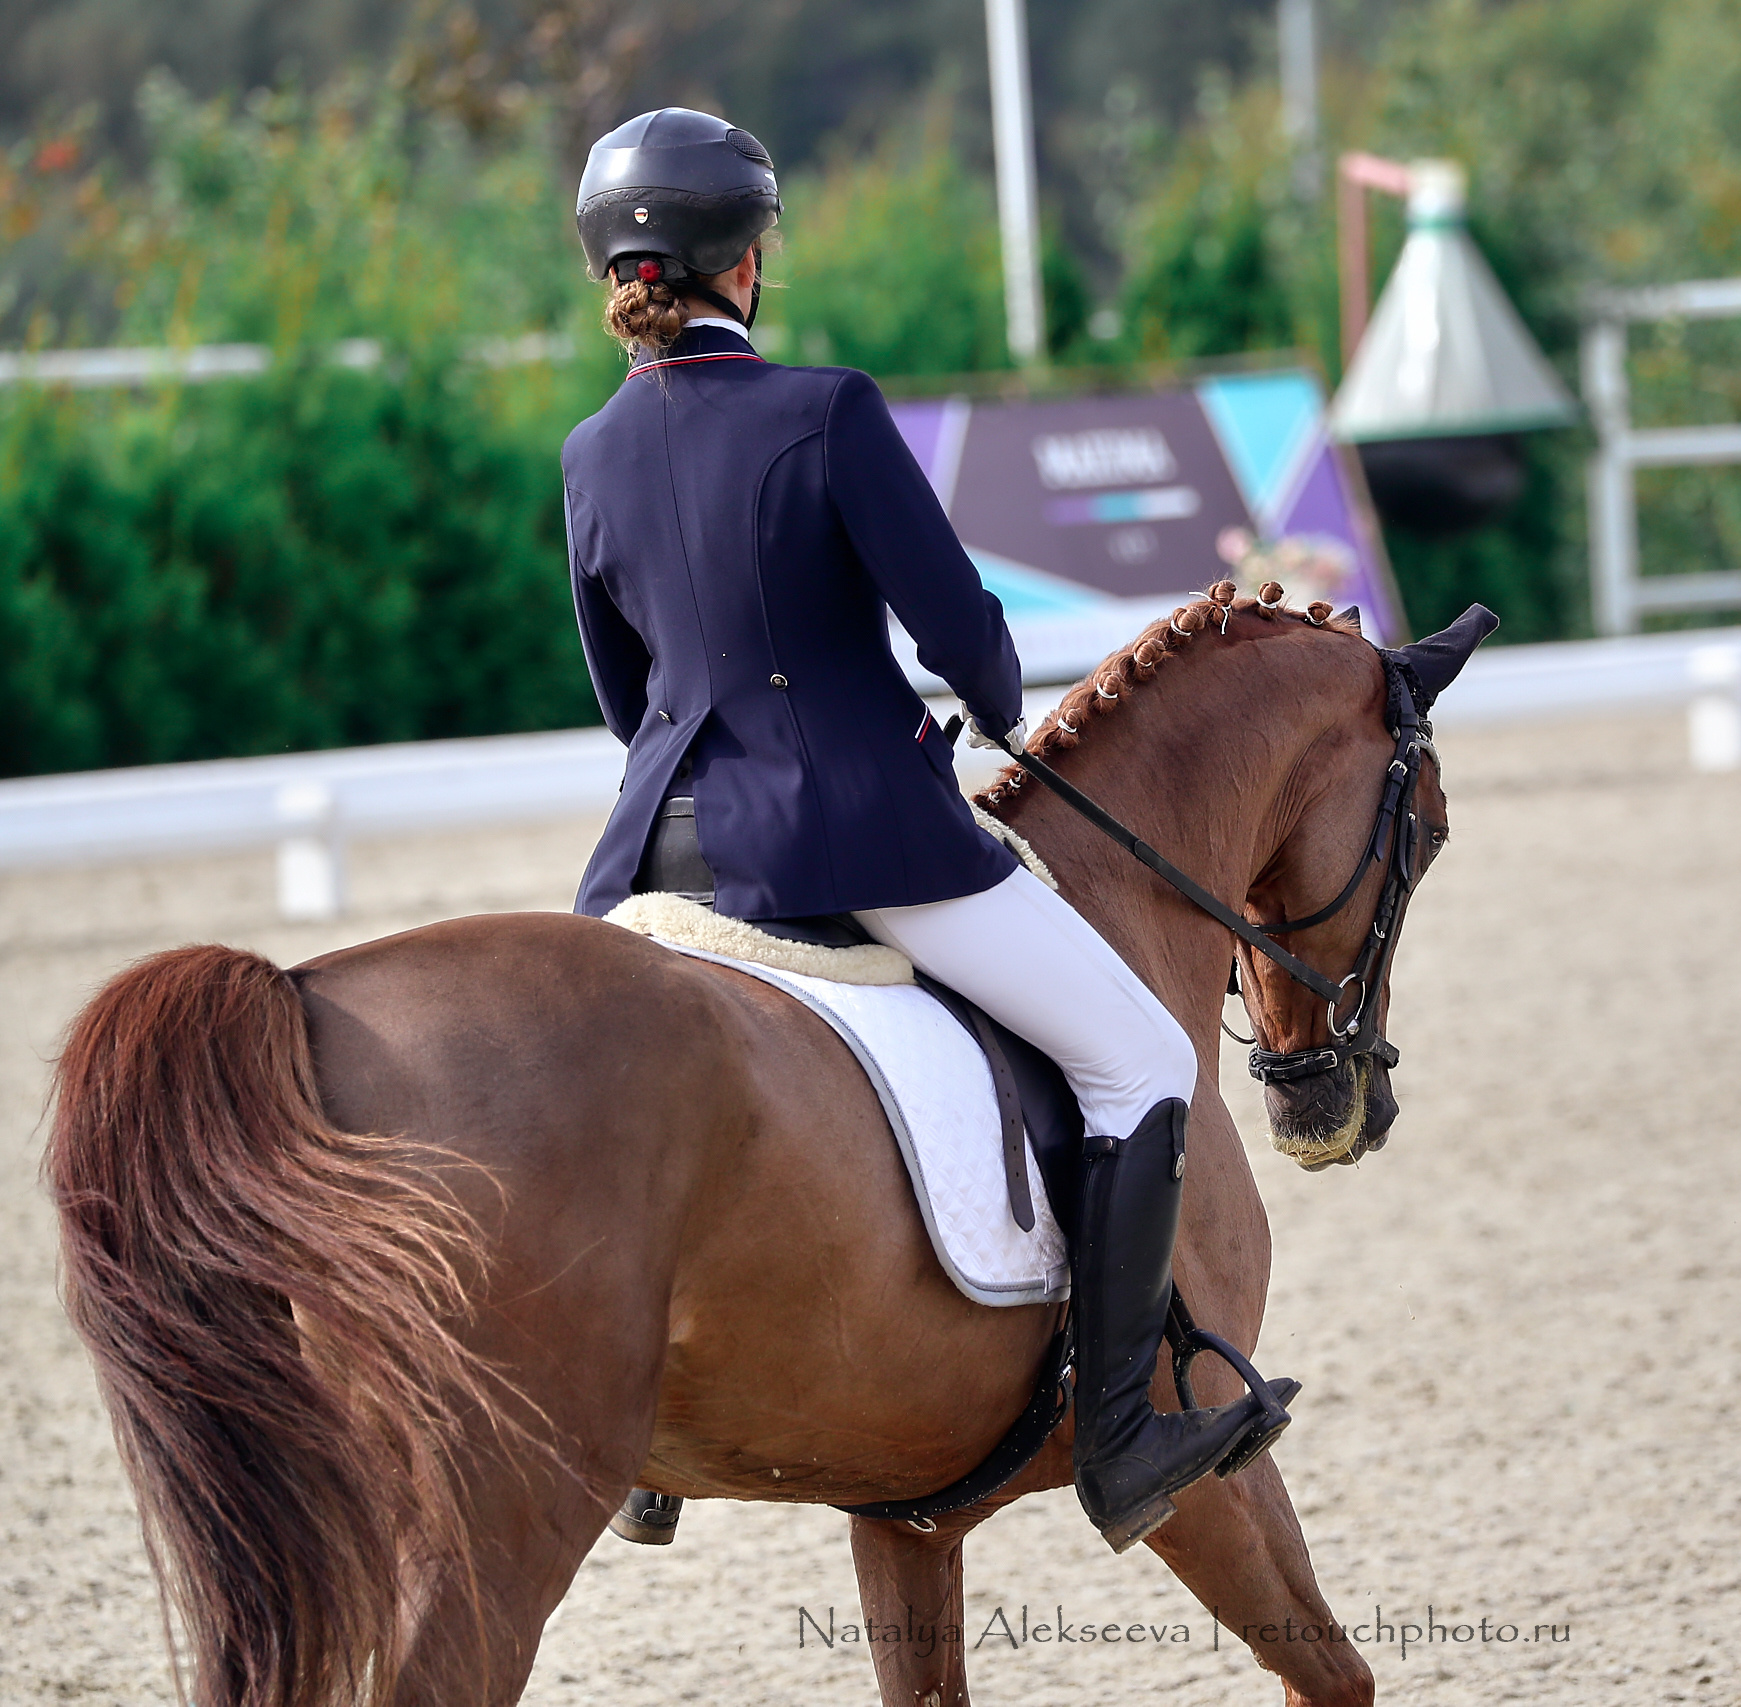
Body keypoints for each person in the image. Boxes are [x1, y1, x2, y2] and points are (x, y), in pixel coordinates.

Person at [561, 108, 1296, 1554]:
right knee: (1139, 1055)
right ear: (747, 263)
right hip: (857, 843)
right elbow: (961, 630)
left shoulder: (590, 449)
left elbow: (620, 691)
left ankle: (647, 1445)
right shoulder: (822, 410)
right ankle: (1128, 1430)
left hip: (656, 855)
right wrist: (991, 702)